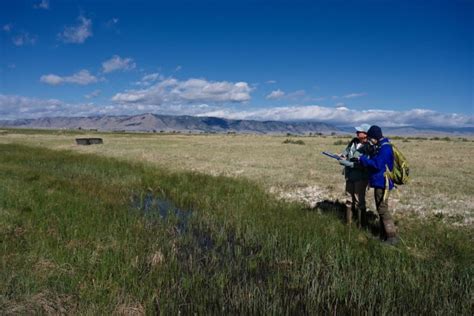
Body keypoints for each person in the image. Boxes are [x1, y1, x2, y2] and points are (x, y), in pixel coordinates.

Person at [359, 125, 399, 245]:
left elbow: (377, 164)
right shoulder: (382, 146)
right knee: (380, 208)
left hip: (383, 183)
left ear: (375, 137)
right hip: (379, 181)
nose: (369, 140)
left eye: (370, 138)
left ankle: (392, 237)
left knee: (382, 209)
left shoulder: (385, 149)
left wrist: (363, 160)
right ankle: (383, 236)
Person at [339, 123, 371, 226]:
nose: (357, 133)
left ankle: (362, 225)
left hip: (361, 177)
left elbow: (363, 165)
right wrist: (342, 156)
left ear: (366, 134)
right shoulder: (353, 142)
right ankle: (348, 223)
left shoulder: (369, 146)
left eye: (359, 131)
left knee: (359, 200)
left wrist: (346, 163)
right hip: (349, 176)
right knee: (348, 199)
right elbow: (346, 151)